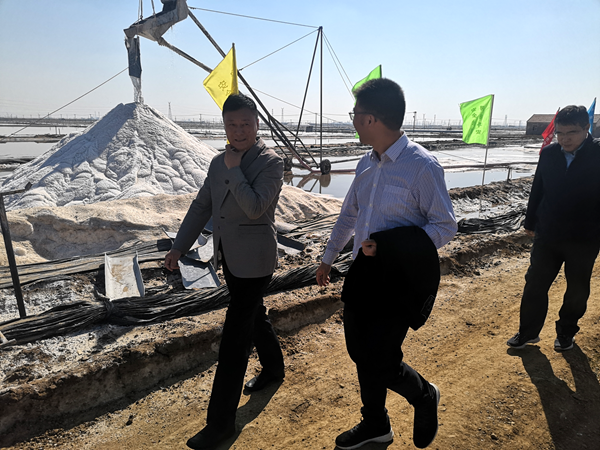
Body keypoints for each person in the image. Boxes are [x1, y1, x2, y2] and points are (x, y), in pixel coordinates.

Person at [316, 78, 457, 449]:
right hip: (362, 275)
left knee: (380, 357)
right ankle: (376, 424)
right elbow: (349, 215)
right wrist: (328, 258)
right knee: (359, 351)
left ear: (371, 119)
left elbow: (445, 225)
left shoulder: (422, 167)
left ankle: (423, 394)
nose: (352, 120)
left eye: (355, 114)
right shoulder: (365, 164)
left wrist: (393, 248)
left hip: (398, 281)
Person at [165, 93, 285, 450]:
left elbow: (255, 207)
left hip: (256, 261)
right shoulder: (218, 162)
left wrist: (234, 170)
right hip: (228, 258)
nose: (239, 131)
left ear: (257, 124)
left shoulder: (271, 162)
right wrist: (179, 247)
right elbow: (202, 206)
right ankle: (274, 369)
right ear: (224, 126)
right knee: (253, 314)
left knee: (235, 340)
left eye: (245, 124)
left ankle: (221, 424)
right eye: (232, 124)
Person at [507, 105, 600, 352]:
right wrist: (530, 222)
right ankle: (528, 332)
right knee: (535, 283)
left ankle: (566, 331)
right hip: (548, 232)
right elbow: (538, 188)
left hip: (585, 237)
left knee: (577, 287)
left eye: (571, 132)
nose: (564, 139)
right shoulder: (549, 154)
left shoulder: (598, 153)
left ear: (586, 128)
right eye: (560, 133)